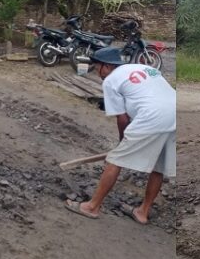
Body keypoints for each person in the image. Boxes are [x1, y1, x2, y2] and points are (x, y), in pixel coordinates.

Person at [64, 47, 176, 224]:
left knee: (115, 159)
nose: (97, 72)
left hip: (151, 116)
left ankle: (92, 207)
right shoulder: (145, 68)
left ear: (107, 66)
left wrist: (122, 143)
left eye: (97, 66)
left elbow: (122, 119)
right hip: (175, 115)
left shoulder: (110, 80)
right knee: (158, 167)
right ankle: (142, 212)